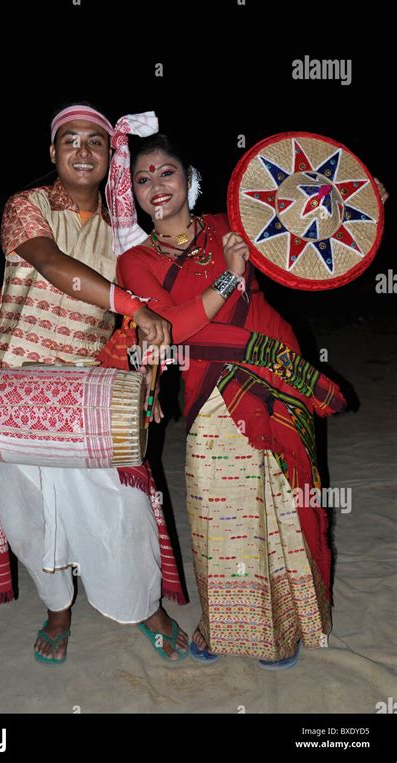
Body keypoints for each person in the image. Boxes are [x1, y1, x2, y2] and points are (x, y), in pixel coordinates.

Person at [117, 133, 351, 668]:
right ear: (132, 191)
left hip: (277, 367)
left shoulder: (232, 225)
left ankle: (288, 626)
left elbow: (306, 231)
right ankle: (222, 626)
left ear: (189, 176)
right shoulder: (133, 262)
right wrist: (229, 276)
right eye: (143, 178)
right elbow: (168, 330)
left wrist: (354, 204)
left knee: (282, 501)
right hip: (212, 391)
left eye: (166, 172)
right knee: (220, 514)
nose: (156, 185)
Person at [0, 106, 189, 665]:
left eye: (96, 142)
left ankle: (145, 606)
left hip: (89, 384)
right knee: (31, 511)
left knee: (119, 504)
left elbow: (195, 239)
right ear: (53, 153)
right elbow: (51, 265)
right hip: (16, 382)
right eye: (70, 141)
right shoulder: (28, 207)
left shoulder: (124, 233)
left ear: (109, 156)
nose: (82, 150)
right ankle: (57, 609)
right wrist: (133, 306)